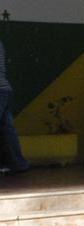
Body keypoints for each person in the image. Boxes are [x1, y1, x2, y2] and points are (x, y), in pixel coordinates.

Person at [0, 39, 31, 174]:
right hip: (4, 90)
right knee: (7, 130)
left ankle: (18, 163)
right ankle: (18, 164)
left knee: (7, 129)